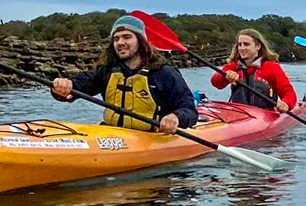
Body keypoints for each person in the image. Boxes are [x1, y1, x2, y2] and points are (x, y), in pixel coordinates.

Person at [52, 16, 198, 133]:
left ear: (141, 41)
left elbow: (189, 110)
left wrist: (176, 117)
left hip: (153, 137)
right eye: (116, 39)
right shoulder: (106, 71)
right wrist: (62, 87)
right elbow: (75, 87)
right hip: (113, 135)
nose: (120, 42)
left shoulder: (165, 74)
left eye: (127, 37)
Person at [210, 28, 298, 111]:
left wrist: (286, 104)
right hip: (239, 113)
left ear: (258, 46)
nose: (242, 48)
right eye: (239, 45)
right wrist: (225, 76)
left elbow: (288, 91)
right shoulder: (233, 66)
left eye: (246, 44)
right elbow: (216, 82)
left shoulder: (271, 67)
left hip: (265, 115)